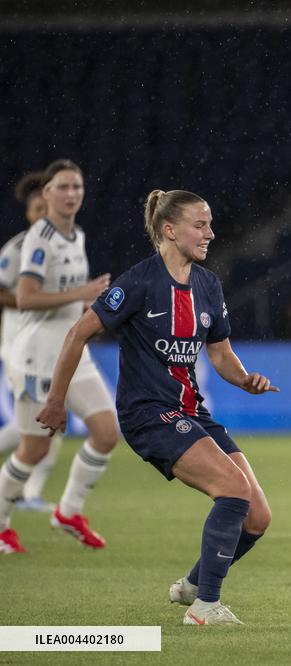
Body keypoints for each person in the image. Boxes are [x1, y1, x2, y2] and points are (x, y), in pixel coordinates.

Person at [36, 189, 277, 625]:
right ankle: (205, 608)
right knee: (233, 491)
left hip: (192, 413)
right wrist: (56, 400)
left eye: (210, 224)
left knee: (257, 517)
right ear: (170, 230)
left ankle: (189, 587)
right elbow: (77, 334)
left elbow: (220, 353)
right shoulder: (139, 282)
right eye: (200, 225)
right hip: (148, 414)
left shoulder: (207, 284)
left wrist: (244, 379)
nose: (211, 233)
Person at [0, 159, 117, 554]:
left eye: (77, 187)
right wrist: (81, 294)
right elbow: (26, 298)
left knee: (106, 431)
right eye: (63, 187)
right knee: (33, 448)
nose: (71, 194)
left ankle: (69, 511)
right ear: (46, 193)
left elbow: (74, 301)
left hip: (72, 353)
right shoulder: (38, 239)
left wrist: (88, 314)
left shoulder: (77, 236)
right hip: (37, 359)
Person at [0, 171, 64, 511]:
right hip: (19, 347)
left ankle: (31, 494)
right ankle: (23, 492)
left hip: (49, 347)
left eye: (47, 208)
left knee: (53, 418)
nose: (42, 214)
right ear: (29, 213)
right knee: (36, 422)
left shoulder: (65, 249)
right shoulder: (18, 249)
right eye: (37, 209)